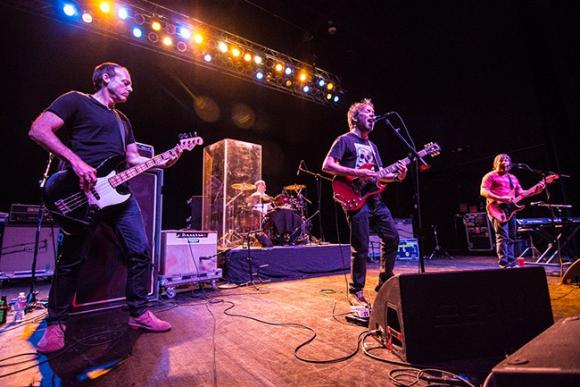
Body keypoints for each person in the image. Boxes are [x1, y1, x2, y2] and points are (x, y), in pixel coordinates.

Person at [29, 62, 180, 353]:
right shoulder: (76, 100)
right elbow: (39, 130)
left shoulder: (123, 120)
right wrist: (76, 162)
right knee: (71, 260)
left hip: (119, 195)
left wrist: (165, 158)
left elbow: (133, 159)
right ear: (106, 78)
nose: (131, 88)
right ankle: (56, 323)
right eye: (126, 81)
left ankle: (138, 313)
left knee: (140, 250)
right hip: (80, 192)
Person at [322, 98, 407, 306]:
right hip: (355, 197)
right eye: (367, 111)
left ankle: (385, 280)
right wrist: (356, 171)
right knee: (360, 246)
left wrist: (397, 176)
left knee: (393, 237)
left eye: (373, 111)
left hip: (375, 199)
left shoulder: (373, 145)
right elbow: (327, 165)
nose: (372, 115)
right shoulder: (345, 140)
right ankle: (356, 291)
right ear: (355, 117)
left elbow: (378, 176)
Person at [480, 153, 546, 268]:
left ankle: (511, 262)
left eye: (507, 160)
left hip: (511, 210)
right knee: (502, 236)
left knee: (512, 237)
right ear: (496, 163)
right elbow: (483, 191)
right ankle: (504, 263)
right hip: (497, 209)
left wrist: (537, 190)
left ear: (510, 165)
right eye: (501, 160)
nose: (505, 162)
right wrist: (501, 198)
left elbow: (522, 193)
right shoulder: (490, 176)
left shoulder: (513, 178)